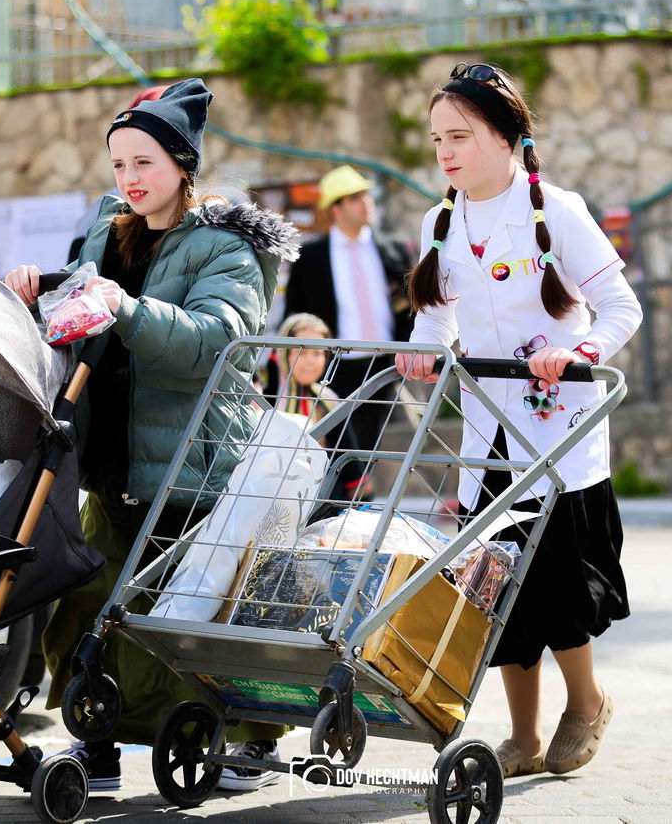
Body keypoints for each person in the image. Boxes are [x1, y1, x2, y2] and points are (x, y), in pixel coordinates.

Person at [3, 78, 300, 794]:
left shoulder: (227, 245)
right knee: (88, 601)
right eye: (118, 165)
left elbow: (216, 341)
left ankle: (246, 741)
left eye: (144, 163)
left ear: (181, 164)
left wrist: (126, 309)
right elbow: (83, 286)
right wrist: (40, 284)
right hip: (110, 460)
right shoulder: (111, 227)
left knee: (199, 616)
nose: (129, 179)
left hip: (191, 465)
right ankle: (96, 737)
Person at [394, 63, 642, 779]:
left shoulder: (558, 211)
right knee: (495, 586)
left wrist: (580, 350)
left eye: (460, 136)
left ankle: (588, 702)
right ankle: (524, 736)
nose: (445, 151)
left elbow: (622, 306)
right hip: (488, 431)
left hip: (558, 431)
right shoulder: (437, 220)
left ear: (506, 137)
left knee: (561, 585)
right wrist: (421, 353)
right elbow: (434, 318)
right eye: (438, 138)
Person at [283, 165, 414, 469]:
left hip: (386, 365)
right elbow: (297, 313)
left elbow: (412, 306)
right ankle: (333, 509)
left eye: (366, 195)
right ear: (336, 208)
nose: (366, 202)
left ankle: (358, 508)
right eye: (355, 197)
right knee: (333, 450)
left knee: (369, 453)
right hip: (334, 367)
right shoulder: (311, 257)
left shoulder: (393, 249)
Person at [257, 312, 369, 504]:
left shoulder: (329, 401)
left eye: (317, 353)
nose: (310, 361)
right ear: (283, 353)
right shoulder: (265, 400)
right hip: (271, 494)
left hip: (325, 496)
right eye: (301, 352)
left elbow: (349, 455)